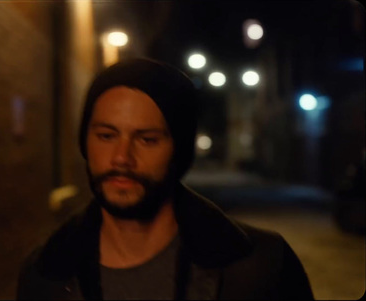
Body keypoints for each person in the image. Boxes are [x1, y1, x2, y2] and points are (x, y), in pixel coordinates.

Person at [17, 58, 314, 300]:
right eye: (106, 136)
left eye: (146, 139)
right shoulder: (44, 274)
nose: (121, 157)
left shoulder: (260, 268)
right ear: (85, 142)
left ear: (179, 151)